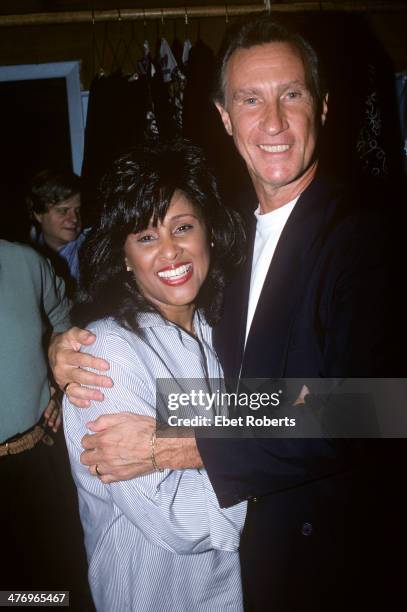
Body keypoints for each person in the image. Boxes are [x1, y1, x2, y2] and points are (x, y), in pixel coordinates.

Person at [50, 17, 404, 611]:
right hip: (251, 572)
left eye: (290, 94)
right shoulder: (231, 253)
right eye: (250, 99)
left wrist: (177, 444)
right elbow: (240, 390)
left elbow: (370, 405)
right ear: (224, 117)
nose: (272, 122)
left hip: (332, 566)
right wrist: (65, 351)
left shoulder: (370, 235)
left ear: (321, 106)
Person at [62, 141, 246, 612]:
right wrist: (270, 478)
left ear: (207, 232)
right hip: (152, 592)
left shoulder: (220, 330)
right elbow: (181, 523)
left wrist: (188, 447)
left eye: (182, 227)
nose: (170, 251)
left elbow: (344, 408)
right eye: (145, 237)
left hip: (231, 588)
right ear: (124, 257)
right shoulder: (107, 353)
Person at [0, 240, 93, 610]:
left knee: (47, 594)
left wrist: (58, 383)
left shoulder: (23, 261)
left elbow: (64, 327)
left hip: (33, 464)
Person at [27, 168, 87, 293]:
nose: (74, 219)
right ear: (38, 213)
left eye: (77, 210)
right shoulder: (25, 255)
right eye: (63, 211)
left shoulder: (90, 254)